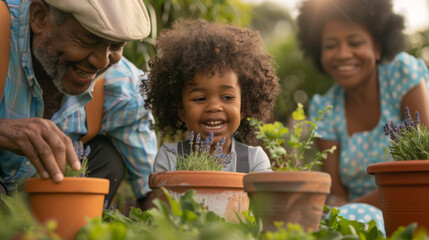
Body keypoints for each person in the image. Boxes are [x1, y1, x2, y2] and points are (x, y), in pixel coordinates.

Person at [1, 0, 157, 206]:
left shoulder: (122, 89)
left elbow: (151, 190)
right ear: (39, 17)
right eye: (88, 40)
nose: (102, 62)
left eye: (115, 46)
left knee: (106, 157)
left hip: (40, 209)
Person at [296, 0, 429, 233]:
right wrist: (344, 213)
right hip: (357, 220)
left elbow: (422, 167)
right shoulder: (324, 108)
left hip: (414, 206)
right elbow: (335, 193)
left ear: (378, 46)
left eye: (355, 42)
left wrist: (350, 210)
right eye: (330, 45)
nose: (343, 54)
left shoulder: (402, 75)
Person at [143, 19, 279, 173]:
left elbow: (264, 197)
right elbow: (163, 196)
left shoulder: (254, 160)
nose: (214, 106)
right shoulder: (170, 158)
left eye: (227, 97)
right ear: (180, 109)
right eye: (200, 98)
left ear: (243, 107)